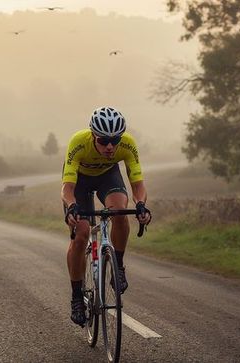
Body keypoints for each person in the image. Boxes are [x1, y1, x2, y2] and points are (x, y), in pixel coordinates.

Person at [61, 106, 151, 327]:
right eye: (103, 141)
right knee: (80, 235)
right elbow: (67, 188)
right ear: (93, 135)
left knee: (120, 212)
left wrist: (141, 205)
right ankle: (76, 297)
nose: (110, 146)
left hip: (107, 177)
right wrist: (72, 206)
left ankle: (117, 266)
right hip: (79, 182)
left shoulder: (128, 144)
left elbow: (138, 185)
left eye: (115, 140)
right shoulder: (78, 142)